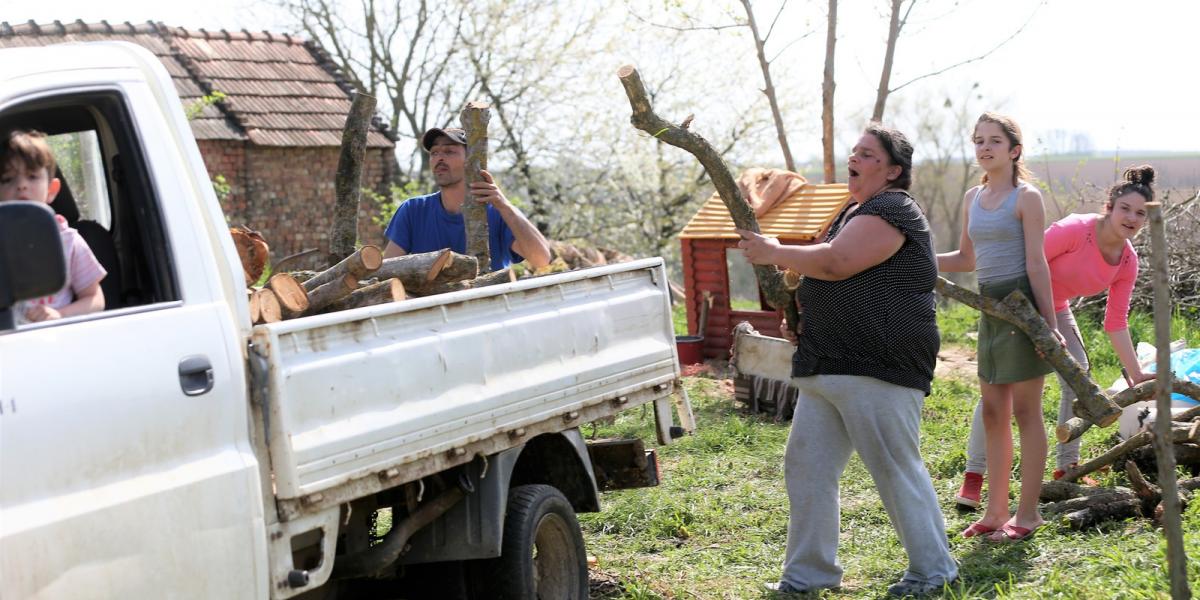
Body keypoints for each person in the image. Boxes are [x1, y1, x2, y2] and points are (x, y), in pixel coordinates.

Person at [738, 124, 958, 596]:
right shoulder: (853, 210)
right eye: (853, 151)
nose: (853, 158)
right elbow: (827, 273)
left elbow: (838, 262)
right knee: (807, 467)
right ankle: (807, 576)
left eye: (867, 154)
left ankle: (933, 571)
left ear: (893, 170)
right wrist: (800, 317)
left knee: (895, 466)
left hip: (878, 362)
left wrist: (774, 251)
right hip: (830, 364)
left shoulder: (893, 209)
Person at [954, 165, 1157, 507]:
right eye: (1125, 209)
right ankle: (974, 476)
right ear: (1109, 207)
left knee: (1079, 377)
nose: (1132, 218)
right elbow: (1027, 262)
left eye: (1140, 213)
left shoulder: (1127, 261)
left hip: (1055, 306)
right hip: (1017, 300)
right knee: (1001, 386)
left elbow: (1116, 322)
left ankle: (1067, 467)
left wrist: (1136, 373)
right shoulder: (1077, 229)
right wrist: (1030, 324)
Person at [937, 112, 1055, 542]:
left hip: (1022, 307)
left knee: (1026, 413)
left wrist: (1048, 326)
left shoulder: (1027, 198)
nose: (984, 148)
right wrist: (917, 258)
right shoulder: (972, 197)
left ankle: (1027, 516)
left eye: (994, 141)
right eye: (978, 141)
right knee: (992, 413)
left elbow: (1037, 263)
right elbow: (966, 260)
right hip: (989, 309)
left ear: (1014, 150)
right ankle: (995, 512)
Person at [382, 127, 551, 271]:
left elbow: (541, 259)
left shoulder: (499, 213)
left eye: (449, 151)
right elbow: (387, 271)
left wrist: (505, 205)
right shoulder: (413, 210)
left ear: (471, 161)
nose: (439, 158)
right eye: (434, 153)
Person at [0, 129, 105, 324]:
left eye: (32, 176)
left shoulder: (68, 239)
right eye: (7, 179)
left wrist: (60, 315)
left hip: (53, 340)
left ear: (51, 190)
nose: (21, 185)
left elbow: (95, 299)